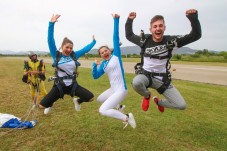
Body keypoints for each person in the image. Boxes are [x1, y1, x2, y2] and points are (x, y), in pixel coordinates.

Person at [125, 9, 202, 112]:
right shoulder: (144, 40)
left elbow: (195, 35)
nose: (158, 28)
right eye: (155, 26)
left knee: (181, 105)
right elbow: (129, 35)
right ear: (151, 29)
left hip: (162, 80)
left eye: (160, 26)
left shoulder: (172, 41)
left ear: (164, 28)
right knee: (136, 82)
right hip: (145, 76)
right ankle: (147, 95)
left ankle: (158, 102)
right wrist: (129, 20)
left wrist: (193, 18)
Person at [39, 14, 96, 114]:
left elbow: (85, 49)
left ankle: (77, 101)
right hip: (59, 85)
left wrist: (93, 42)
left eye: (71, 48)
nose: (69, 49)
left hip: (72, 85)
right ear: (62, 46)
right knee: (41, 105)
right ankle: (50, 103)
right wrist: (51, 24)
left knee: (90, 97)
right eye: (67, 47)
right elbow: (50, 40)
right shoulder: (56, 55)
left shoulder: (74, 55)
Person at [92, 14, 136, 129]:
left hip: (121, 89)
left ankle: (127, 117)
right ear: (100, 55)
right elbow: (95, 76)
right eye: (102, 52)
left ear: (109, 51)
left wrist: (116, 20)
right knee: (99, 99)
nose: (104, 53)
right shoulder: (103, 64)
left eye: (106, 50)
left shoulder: (116, 55)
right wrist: (94, 65)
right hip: (113, 89)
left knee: (103, 110)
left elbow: (115, 37)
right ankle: (120, 107)